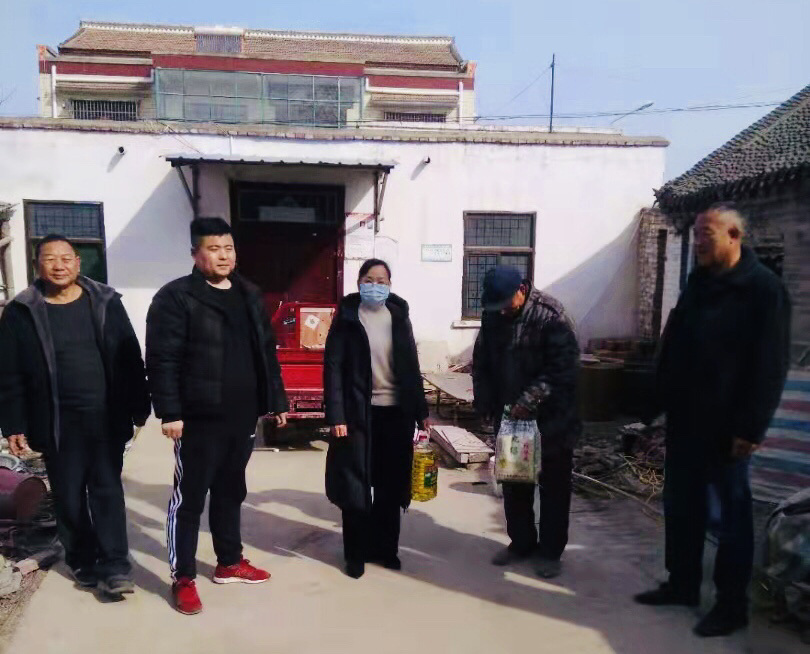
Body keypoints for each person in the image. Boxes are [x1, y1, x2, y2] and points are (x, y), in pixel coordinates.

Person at [634, 203, 791, 638]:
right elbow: (675, 347)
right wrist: (654, 402)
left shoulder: (764, 290)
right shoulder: (698, 284)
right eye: (697, 233)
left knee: (731, 517)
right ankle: (682, 584)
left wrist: (751, 428)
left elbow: (771, 365)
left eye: (708, 233)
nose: (698, 241)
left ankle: (731, 605)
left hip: (729, 427)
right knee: (682, 506)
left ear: (734, 237)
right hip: (686, 419)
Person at [145, 217, 289, 615]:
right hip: (198, 417)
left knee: (231, 491)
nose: (223, 256)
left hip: (242, 415)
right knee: (189, 499)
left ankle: (229, 562)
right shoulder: (176, 297)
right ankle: (183, 577)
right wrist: (170, 411)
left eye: (228, 248)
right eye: (214, 249)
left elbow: (266, 353)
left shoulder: (249, 293)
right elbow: (162, 358)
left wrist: (276, 399)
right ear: (196, 254)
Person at [0, 234, 150, 597]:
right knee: (68, 496)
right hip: (55, 422)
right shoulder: (22, 311)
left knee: (107, 491)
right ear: (37, 265)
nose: (59, 265)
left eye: (66, 258)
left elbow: (129, 355)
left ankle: (116, 565)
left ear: (78, 263)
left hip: (105, 417)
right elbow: (9, 371)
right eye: (50, 259)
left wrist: (139, 405)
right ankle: (82, 560)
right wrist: (14, 423)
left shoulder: (105, 302)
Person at [472, 266, 581, 579]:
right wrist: (484, 399)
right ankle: (521, 543)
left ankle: (550, 552)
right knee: (515, 484)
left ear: (522, 289)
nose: (502, 310)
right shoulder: (493, 316)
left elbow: (563, 369)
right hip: (512, 419)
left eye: (506, 303)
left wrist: (529, 400)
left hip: (552, 420)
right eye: (496, 306)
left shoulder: (551, 316)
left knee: (554, 488)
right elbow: (482, 361)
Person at [324, 259, 430, 579]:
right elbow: (333, 368)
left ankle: (386, 550)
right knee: (355, 486)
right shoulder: (347, 317)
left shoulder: (398, 316)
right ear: (359, 282)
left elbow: (411, 365)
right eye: (369, 279)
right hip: (358, 414)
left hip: (396, 413)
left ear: (390, 284)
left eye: (382, 280)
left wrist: (421, 411)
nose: (375, 285)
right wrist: (337, 415)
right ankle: (355, 555)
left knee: (390, 485)